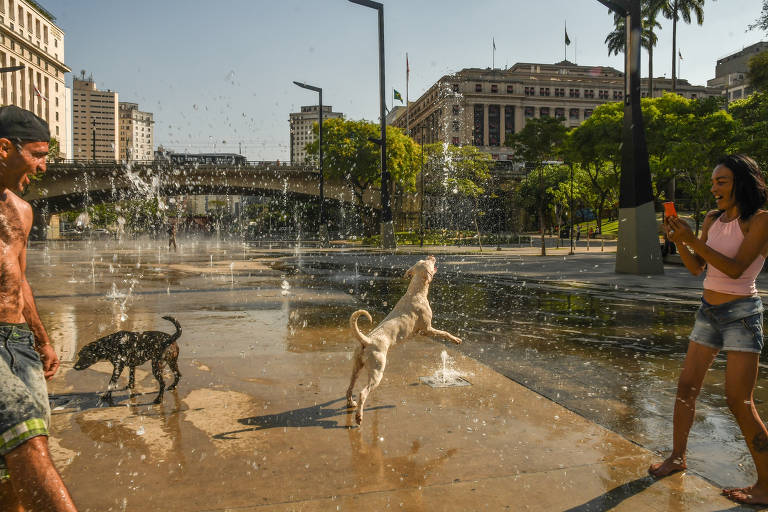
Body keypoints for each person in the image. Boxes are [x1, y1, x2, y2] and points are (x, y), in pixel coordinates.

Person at [650, 154, 768, 506]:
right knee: (686, 387)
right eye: (713, 181)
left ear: (741, 183)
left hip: (741, 315)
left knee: (739, 400)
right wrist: (680, 240)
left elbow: (735, 269)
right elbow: (697, 268)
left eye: (722, 181)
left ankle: (766, 484)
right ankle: (677, 457)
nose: (714, 188)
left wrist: (692, 239)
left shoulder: (760, 221)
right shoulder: (712, 218)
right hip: (708, 311)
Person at [0, 106, 77, 511]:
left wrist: (41, 339)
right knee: (27, 439)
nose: (44, 167)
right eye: (37, 154)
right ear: (3, 149)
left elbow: (20, 280)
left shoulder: (23, 211)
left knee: (11, 467)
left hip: (19, 344)